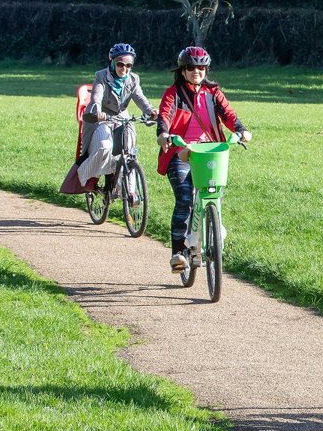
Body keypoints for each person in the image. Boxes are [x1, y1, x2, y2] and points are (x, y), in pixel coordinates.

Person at [155, 46, 251, 272]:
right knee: (185, 199)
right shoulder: (173, 93)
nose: (196, 71)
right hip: (180, 151)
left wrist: (241, 130)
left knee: (214, 195)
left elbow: (229, 115)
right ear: (182, 70)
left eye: (201, 67)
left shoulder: (213, 92)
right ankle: (178, 253)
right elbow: (165, 116)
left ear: (206, 69)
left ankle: (209, 233)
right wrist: (163, 135)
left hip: (209, 151)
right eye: (190, 67)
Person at [77, 43, 155, 189]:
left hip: (121, 118)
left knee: (129, 152)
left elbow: (140, 98)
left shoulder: (133, 79)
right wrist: (97, 111)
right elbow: (96, 97)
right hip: (100, 118)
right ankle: (87, 176)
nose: (124, 69)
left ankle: (129, 191)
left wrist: (151, 111)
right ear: (111, 61)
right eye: (120, 64)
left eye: (129, 65)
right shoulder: (101, 76)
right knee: (104, 146)